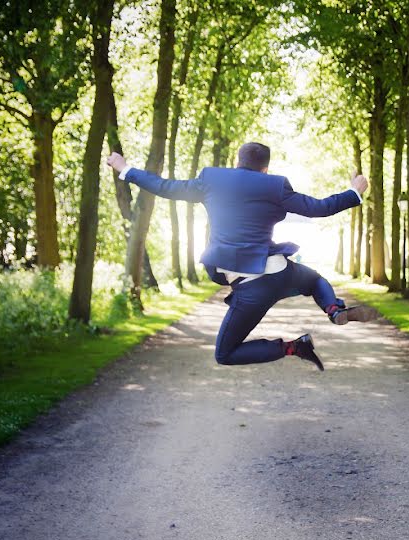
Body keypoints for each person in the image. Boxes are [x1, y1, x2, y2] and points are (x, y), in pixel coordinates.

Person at [106, 142, 378, 370]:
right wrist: (355, 190)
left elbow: (164, 187)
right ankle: (333, 309)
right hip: (279, 271)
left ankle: (294, 347)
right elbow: (320, 208)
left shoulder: (211, 180)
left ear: (237, 162)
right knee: (315, 280)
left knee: (225, 354)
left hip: (249, 287)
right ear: (265, 168)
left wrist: (125, 169)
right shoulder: (275, 185)